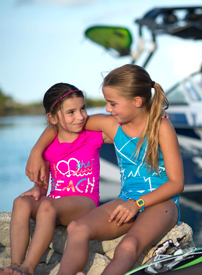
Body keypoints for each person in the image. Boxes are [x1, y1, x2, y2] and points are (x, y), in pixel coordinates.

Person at [24, 64, 184, 275]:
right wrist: (36, 151)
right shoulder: (111, 126)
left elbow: (176, 183)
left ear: (137, 101)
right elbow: (63, 122)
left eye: (113, 103)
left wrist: (137, 204)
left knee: (128, 245)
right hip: (126, 198)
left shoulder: (161, 127)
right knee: (77, 228)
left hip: (161, 202)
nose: (108, 109)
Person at [1, 83, 111, 275]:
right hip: (56, 204)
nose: (80, 116)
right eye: (71, 112)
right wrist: (37, 189)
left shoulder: (91, 136)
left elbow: (125, 129)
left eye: (82, 108)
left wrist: (152, 118)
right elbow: (43, 185)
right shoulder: (49, 147)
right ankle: (16, 265)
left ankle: (28, 268)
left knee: (47, 206)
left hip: (85, 201)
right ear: (52, 118)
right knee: (21, 202)